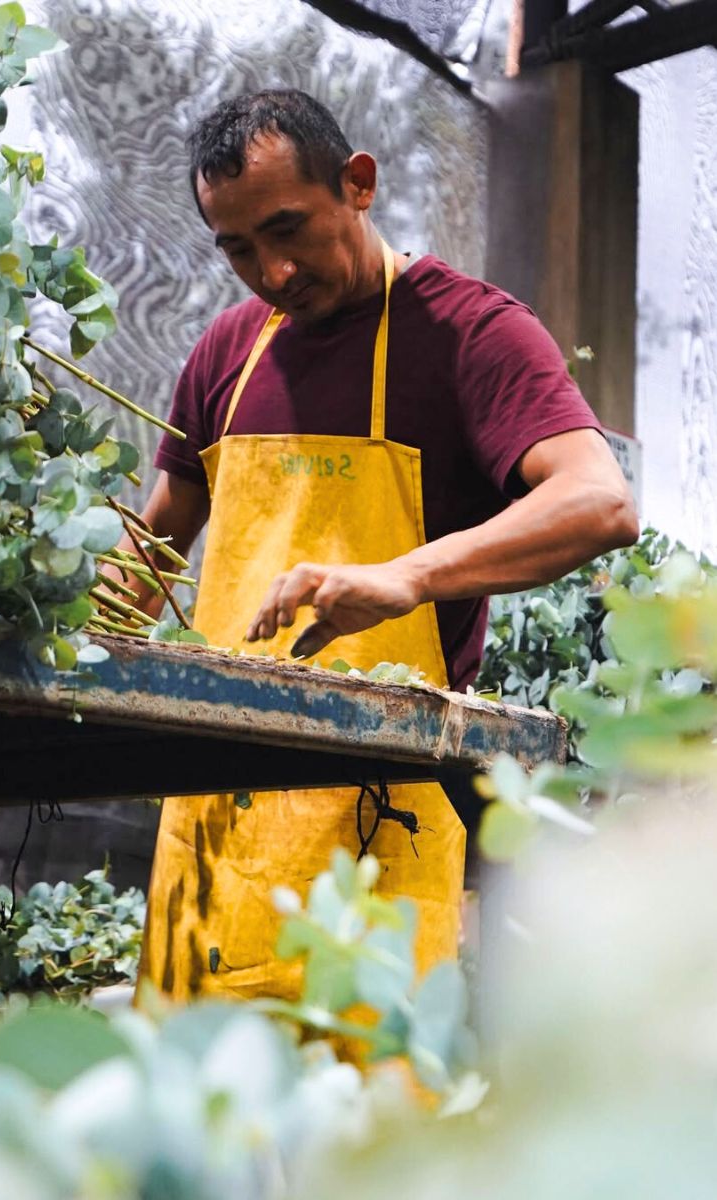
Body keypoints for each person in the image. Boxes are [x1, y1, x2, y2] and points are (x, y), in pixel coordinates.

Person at [129, 89, 639, 1003]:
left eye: (289, 228)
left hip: (378, 823)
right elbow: (143, 560)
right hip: (215, 826)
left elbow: (597, 503)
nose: (273, 271)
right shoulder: (223, 356)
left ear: (357, 184)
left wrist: (405, 576)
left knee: (367, 1124)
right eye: (238, 248)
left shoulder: (471, 336)